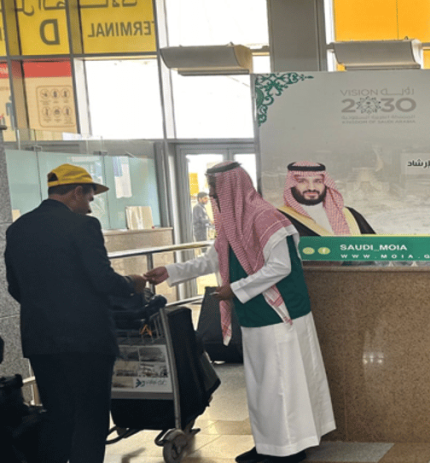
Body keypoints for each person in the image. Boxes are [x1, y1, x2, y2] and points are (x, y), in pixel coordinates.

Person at [144, 162, 333, 463]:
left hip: (281, 315)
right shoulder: (232, 223)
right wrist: (171, 271)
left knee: (281, 384)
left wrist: (236, 289)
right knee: (262, 386)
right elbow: (212, 260)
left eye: (214, 187)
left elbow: (281, 266)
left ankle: (290, 450)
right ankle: (269, 444)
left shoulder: (265, 217)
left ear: (231, 187)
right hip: (255, 314)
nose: (211, 194)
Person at [4, 163, 146, 463]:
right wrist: (132, 284)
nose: (91, 206)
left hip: (40, 340)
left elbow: (15, 287)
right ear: (77, 192)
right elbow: (102, 279)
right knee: (90, 418)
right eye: (90, 198)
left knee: (58, 416)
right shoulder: (84, 226)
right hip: (86, 341)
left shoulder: (18, 228)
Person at [278, 161, 375, 236]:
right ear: (291, 185)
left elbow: (376, 248)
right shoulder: (280, 218)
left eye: (318, 181)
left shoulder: (350, 214)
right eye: (302, 181)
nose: (311, 187)